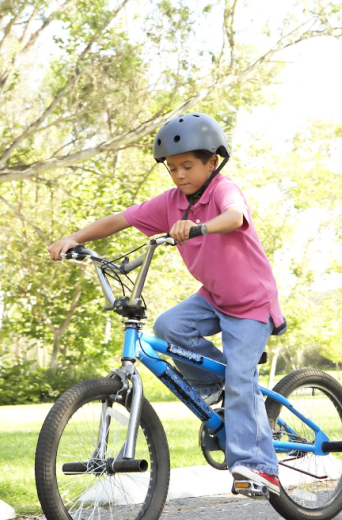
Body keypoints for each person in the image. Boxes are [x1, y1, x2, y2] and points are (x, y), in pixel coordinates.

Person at [47, 113, 285, 496]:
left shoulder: (223, 191)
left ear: (213, 161)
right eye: (172, 168)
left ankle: (259, 468)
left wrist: (200, 227)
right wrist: (73, 238)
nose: (179, 175)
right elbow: (120, 220)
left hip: (251, 302)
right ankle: (219, 386)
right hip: (212, 297)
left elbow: (234, 215)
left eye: (187, 166)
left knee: (242, 380)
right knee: (169, 327)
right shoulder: (172, 203)